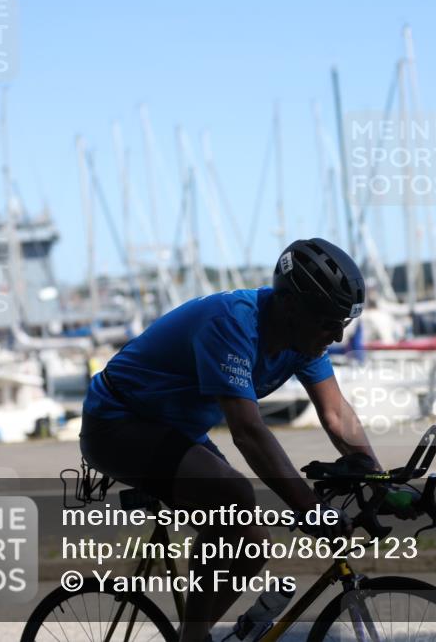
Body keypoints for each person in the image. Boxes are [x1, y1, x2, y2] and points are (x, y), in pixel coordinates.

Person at [80, 237, 380, 642]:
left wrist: (380, 481)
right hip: (116, 422)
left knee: (252, 539)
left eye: (343, 324)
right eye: (330, 323)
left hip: (174, 430)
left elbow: (335, 413)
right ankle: (194, 638)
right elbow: (249, 433)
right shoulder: (232, 323)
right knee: (233, 494)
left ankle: (194, 632)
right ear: (291, 305)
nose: (338, 336)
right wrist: (309, 509)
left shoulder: (303, 339)